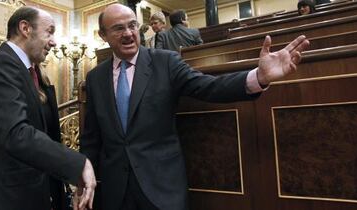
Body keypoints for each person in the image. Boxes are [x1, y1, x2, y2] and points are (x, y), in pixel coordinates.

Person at [77, 3, 309, 210]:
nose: (128, 33)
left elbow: (210, 87)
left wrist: (259, 77)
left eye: (132, 25)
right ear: (103, 35)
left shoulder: (165, 62)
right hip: (115, 194)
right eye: (118, 28)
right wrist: (82, 180)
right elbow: (91, 138)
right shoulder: (96, 77)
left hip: (161, 190)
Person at [0, 6, 96, 210]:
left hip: (37, 193)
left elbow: (47, 135)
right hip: (6, 197)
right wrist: (77, 163)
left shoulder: (35, 73)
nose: (54, 42)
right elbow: (16, 133)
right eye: (50, 31)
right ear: (25, 28)